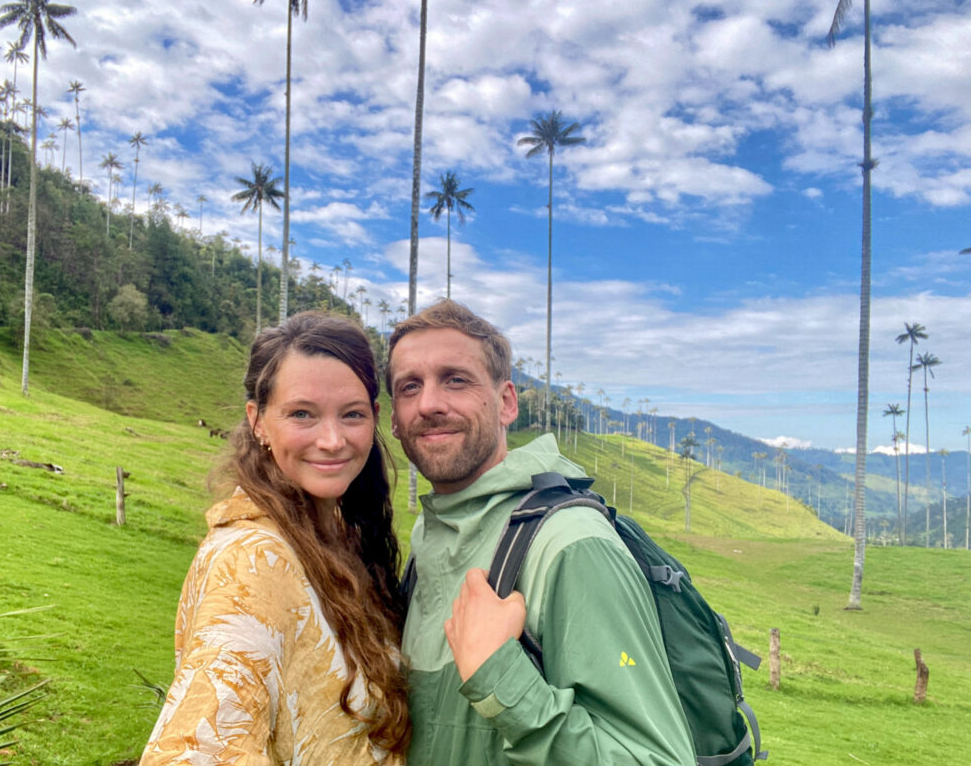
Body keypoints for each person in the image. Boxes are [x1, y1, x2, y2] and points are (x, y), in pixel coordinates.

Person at [387, 300, 696, 766]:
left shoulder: (571, 543)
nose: (429, 403)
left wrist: (500, 676)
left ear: (507, 402)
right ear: (394, 418)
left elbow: (655, 759)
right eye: (410, 386)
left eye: (456, 380)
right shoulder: (428, 537)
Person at [141, 311, 409, 766]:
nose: (332, 440)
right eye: (302, 414)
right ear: (258, 420)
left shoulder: (336, 536)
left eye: (352, 414)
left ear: (375, 417)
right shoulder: (251, 561)